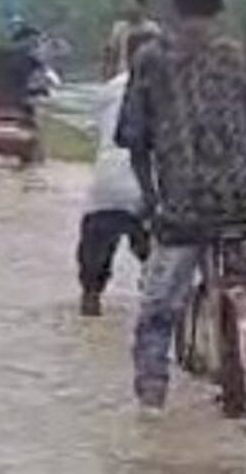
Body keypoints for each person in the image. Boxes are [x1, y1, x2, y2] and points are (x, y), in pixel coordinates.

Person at [115, 0, 246, 414]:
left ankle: (151, 398)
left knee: (157, 311)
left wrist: (151, 200)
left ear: (174, 3)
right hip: (243, 204)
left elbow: (134, 140)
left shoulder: (151, 58)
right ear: (220, 2)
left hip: (181, 209)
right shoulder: (244, 55)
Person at [77, 23, 161, 318]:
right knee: (160, 269)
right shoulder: (169, 89)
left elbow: (95, 132)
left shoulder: (109, 89)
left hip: (106, 186)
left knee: (92, 271)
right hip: (151, 189)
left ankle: (91, 300)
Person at [103, 0, 158, 80]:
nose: (128, 8)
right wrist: (108, 73)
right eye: (126, 5)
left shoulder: (152, 29)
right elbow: (111, 54)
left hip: (146, 76)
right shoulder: (119, 28)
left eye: (131, 5)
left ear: (142, 7)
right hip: (123, 75)